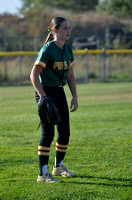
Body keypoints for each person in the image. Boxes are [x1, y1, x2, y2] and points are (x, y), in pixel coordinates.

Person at [30, 17, 78, 183]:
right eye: (65, 28)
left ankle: (58, 167)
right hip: (45, 92)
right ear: (55, 31)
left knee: (65, 131)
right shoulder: (48, 50)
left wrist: (75, 96)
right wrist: (43, 98)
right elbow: (33, 75)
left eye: (69, 27)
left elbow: (70, 76)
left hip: (59, 91)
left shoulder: (68, 50)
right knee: (48, 133)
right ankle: (42, 174)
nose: (68, 30)